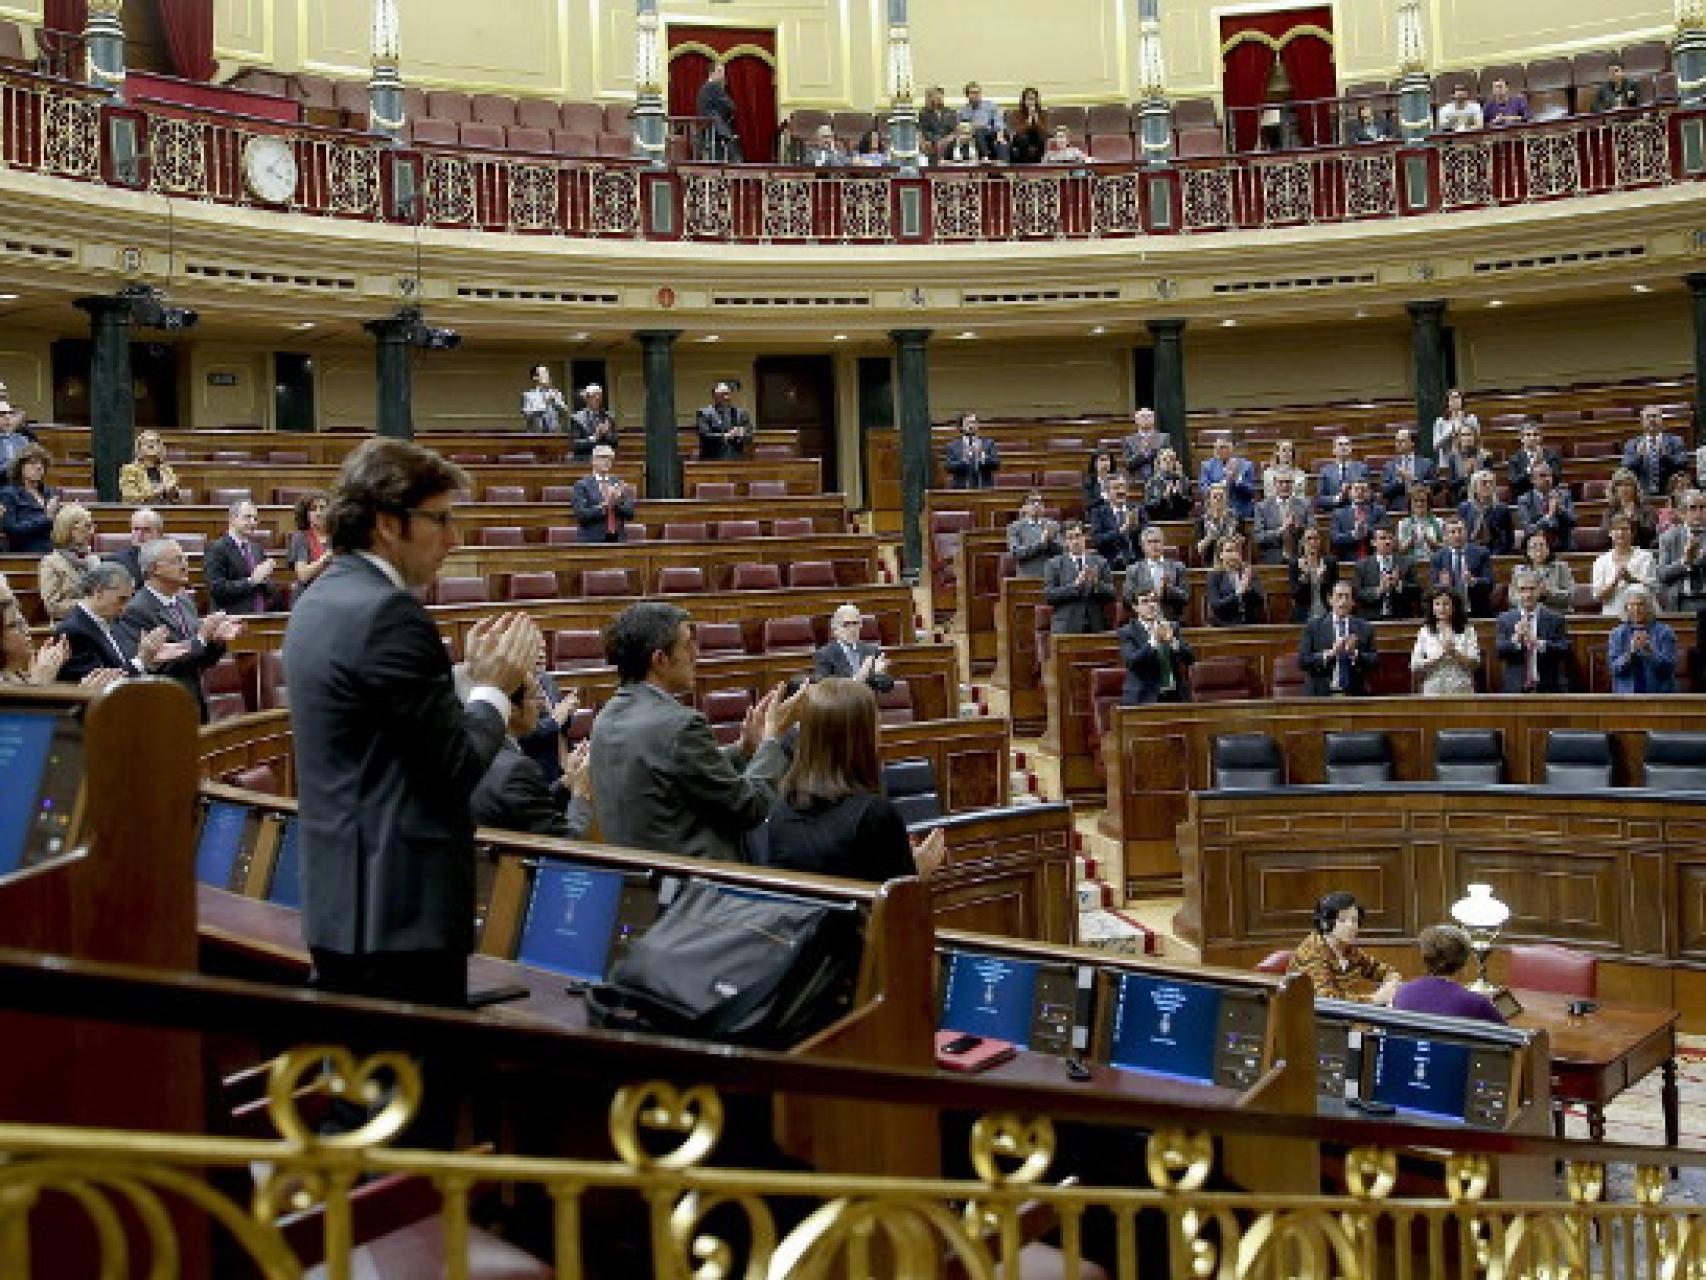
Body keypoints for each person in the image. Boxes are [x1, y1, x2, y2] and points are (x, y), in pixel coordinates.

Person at [285, 437, 541, 1012]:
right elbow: (452, 769)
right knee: (410, 1074)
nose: (454, 539)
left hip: (346, 908)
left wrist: (477, 692)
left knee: (362, 1071)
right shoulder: (390, 611)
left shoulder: (321, 597)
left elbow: (386, 725)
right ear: (387, 523)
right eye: (440, 520)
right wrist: (492, 693)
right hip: (400, 918)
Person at [589, 601, 795, 861]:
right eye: (687, 645)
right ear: (660, 659)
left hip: (637, 878)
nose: (696, 654)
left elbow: (671, 767)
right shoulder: (680, 724)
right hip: (693, 881)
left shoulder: (605, 718)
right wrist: (771, 741)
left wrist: (742, 750)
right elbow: (751, 806)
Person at [756, 678, 945, 883]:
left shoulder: (781, 810)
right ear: (862, 739)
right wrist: (919, 871)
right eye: (876, 725)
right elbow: (896, 899)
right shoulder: (873, 815)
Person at [119, 538, 242, 721]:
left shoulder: (184, 601)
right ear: (154, 569)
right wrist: (201, 638)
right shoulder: (136, 610)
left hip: (194, 701)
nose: (185, 565)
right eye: (178, 560)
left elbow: (199, 660)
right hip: (163, 707)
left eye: (185, 559)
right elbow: (156, 665)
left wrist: (215, 641)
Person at [469, 683, 594, 839]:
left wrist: (566, 782)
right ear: (513, 710)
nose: (540, 705)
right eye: (534, 697)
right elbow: (568, 842)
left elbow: (527, 806)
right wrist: (581, 793)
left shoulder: (484, 750)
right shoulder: (517, 768)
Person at [53, 562, 174, 683]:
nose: (125, 607)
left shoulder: (114, 621)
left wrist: (150, 658)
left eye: (128, 600)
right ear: (98, 592)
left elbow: (126, 663)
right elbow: (100, 683)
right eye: (122, 599)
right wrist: (142, 659)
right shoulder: (73, 630)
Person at [1288, 891, 1400, 1005]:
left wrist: (1392, 981)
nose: (1351, 926)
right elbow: (1327, 1000)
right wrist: (1374, 999)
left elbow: (1380, 970)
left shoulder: (1347, 948)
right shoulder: (1311, 953)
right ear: (1325, 923)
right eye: (1342, 920)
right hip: (1311, 1014)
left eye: (1354, 920)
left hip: (1343, 1013)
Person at [1392, 925, 1504, 1024]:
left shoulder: (1402, 993)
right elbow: (1507, 1036)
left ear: (1425, 959)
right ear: (1464, 963)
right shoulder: (1476, 1003)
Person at [1495, 569, 1570, 693]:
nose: (1528, 595)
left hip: (1548, 687)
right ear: (1516, 592)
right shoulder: (1505, 619)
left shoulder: (1555, 618)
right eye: (1523, 589)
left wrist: (1539, 643)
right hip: (1515, 688)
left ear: (1540, 589)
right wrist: (1516, 640)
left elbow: (1565, 650)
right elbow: (1499, 652)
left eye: (1532, 589)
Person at [205, 499, 284, 615]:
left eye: (255, 519)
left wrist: (267, 581)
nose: (253, 522)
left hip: (261, 616)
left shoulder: (257, 548)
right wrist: (251, 581)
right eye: (247, 517)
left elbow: (266, 585)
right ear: (232, 519)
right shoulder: (216, 548)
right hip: (232, 618)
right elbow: (217, 589)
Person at [1300, 580, 1378, 696]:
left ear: (1353, 602)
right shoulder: (1314, 626)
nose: (1343, 601)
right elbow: (1303, 661)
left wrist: (1354, 653)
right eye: (1339, 596)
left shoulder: (1364, 628)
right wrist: (1330, 653)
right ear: (1330, 600)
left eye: (1347, 597)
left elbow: (1374, 661)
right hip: (1320, 694)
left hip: (1354, 694)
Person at [1118, 588, 1194, 706]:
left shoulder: (1171, 627)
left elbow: (1190, 658)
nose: (1151, 605)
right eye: (1145, 601)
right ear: (1135, 607)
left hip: (1175, 696)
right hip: (1143, 697)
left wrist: (1173, 642)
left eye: (1154, 601)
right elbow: (1132, 662)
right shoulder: (1128, 632)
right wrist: (1153, 641)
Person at [1043, 522, 1115, 634]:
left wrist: (1097, 584)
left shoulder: (1100, 562)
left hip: (1095, 624)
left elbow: (1111, 594)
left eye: (1078, 536)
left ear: (1084, 537)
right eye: (1070, 538)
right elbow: (1049, 596)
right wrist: (1075, 585)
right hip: (1066, 626)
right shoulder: (1053, 564)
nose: (1075, 541)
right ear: (1065, 541)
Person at [1410, 586, 1480, 696]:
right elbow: (1415, 665)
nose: (1441, 608)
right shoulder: (1425, 631)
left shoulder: (1468, 630)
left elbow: (1475, 663)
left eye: (1446, 604)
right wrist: (1439, 656)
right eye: (1437, 604)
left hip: (1461, 689)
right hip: (1433, 689)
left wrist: (1454, 653)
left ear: (1454, 606)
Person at [1608, 585, 1677, 694]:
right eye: (1631, 605)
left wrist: (1649, 652)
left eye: (1640, 604)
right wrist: (1630, 654)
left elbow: (1668, 669)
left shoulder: (1665, 632)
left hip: (1658, 696)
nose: (1636, 609)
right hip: (1626, 697)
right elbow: (1614, 669)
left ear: (1649, 607)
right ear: (1625, 608)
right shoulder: (1617, 634)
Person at [37, 502, 99, 621]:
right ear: (70, 529)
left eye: (92, 526)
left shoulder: (93, 559)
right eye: (87, 526)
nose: (92, 532)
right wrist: (89, 605)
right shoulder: (51, 563)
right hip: (67, 624)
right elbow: (52, 606)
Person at [812, 603, 893, 691]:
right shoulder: (824, 654)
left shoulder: (872, 651)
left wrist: (878, 675)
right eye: (846, 624)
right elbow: (825, 690)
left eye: (855, 623)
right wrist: (858, 678)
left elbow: (887, 687)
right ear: (835, 629)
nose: (852, 629)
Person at [1592, 514, 1658, 621]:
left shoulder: (1645, 557)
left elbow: (1652, 588)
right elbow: (1598, 596)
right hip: (1612, 615)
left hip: (1642, 617)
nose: (1620, 533)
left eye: (1625, 529)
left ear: (1632, 533)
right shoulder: (1601, 561)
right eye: (1616, 529)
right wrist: (1615, 581)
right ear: (1610, 533)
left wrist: (1631, 579)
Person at [1, 444, 59, 554]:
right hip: (26, 553)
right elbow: (12, 530)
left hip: (54, 549)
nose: (39, 467)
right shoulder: (9, 494)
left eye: (42, 464)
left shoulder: (49, 493)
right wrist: (46, 518)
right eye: (33, 463)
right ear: (20, 467)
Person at [1431, 516, 1495, 617]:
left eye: (1460, 531)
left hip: (1477, 609)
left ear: (1466, 532)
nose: (1457, 535)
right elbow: (1433, 587)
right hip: (1449, 612)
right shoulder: (1438, 557)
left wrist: (1473, 581)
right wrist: (1442, 585)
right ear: (1445, 536)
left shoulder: (1481, 553)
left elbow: (1490, 583)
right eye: (1452, 532)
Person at [571, 445, 634, 543]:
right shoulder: (581, 485)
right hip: (592, 540)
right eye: (603, 458)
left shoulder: (618, 483)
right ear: (593, 461)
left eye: (610, 459)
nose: (607, 461)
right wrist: (605, 505)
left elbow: (630, 514)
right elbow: (581, 515)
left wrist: (618, 501)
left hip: (618, 539)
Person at [1124, 526, 1189, 621]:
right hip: (1144, 621)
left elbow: (1186, 597)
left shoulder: (1178, 567)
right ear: (1143, 546)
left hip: (1171, 620)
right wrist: (1146, 598)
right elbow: (1127, 599)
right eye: (1150, 542)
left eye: (1157, 541)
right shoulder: (1133, 570)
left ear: (1163, 544)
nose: (1154, 545)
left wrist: (1168, 589)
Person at [1353, 526, 1419, 620]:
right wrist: (1378, 590)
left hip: (1401, 617)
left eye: (1390, 538)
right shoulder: (1362, 565)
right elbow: (1357, 594)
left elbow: (1416, 591)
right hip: (1371, 618)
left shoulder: (1407, 563)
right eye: (1383, 538)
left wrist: (1399, 585)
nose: (1388, 542)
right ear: (1373, 542)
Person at [1657, 488, 1706, 613]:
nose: (1699, 512)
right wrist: (1685, 561)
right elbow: (1663, 574)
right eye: (1693, 508)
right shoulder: (1668, 537)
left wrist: (1701, 558)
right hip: (1680, 601)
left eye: (1702, 507)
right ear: (1682, 513)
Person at [1623, 405, 1686, 498]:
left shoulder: (1676, 441)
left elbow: (1682, 465)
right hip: (1642, 496)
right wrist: (1638, 457)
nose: (1652, 420)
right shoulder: (1631, 444)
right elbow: (1626, 470)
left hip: (1671, 495)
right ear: (1642, 421)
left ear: (1661, 420)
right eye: (1648, 417)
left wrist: (1665, 456)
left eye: (1655, 416)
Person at [1253, 470, 1312, 565]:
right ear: (1274, 484)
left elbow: (1312, 531)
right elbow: (1258, 537)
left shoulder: (1305, 505)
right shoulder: (1262, 507)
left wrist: (1299, 527)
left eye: (1288, 482)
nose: (1285, 486)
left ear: (1293, 484)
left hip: (1299, 556)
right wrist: (1280, 531)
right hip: (1272, 556)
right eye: (1281, 482)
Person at [1206, 535, 1266, 627]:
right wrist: (1238, 594)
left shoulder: (1248, 572)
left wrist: (1249, 590)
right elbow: (1216, 605)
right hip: (1224, 627)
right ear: (1220, 555)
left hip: (1250, 625)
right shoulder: (1214, 575)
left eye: (1237, 551)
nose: (1233, 555)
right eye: (1229, 551)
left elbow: (1260, 602)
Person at [1515, 462, 1576, 552]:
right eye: (1542, 476)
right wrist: (1549, 516)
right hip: (1537, 548)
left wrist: (1560, 510)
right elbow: (1529, 529)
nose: (1547, 479)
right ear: (1532, 480)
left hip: (1563, 546)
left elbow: (1573, 521)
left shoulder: (1564, 495)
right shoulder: (1524, 500)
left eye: (1549, 475)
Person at [1089, 476, 1145, 570]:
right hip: (1110, 563)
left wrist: (1136, 528)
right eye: (1116, 488)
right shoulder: (1098, 512)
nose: (1121, 491)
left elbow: (1147, 535)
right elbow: (1097, 540)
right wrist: (1121, 530)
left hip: (1136, 562)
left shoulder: (1137, 510)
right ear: (1107, 492)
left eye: (1123, 487)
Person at [1287, 524, 1338, 622]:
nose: (1313, 542)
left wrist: (1323, 578)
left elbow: (1334, 592)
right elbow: (1296, 596)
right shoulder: (1295, 563)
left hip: (1326, 612)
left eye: (1316, 538)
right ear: (1302, 542)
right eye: (1309, 539)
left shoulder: (1330, 562)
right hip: (1304, 613)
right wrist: (1305, 578)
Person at [1458, 469, 1515, 556]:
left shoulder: (1502, 509)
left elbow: (1508, 540)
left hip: (1494, 554)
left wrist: (1494, 556)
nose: (1488, 486)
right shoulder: (1464, 508)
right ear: (1475, 487)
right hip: (1469, 553)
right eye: (1484, 483)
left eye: (1491, 483)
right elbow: (1460, 536)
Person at [1518, 530, 1575, 614]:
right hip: (1528, 614)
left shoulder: (1561, 568)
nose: (1538, 549)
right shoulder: (1519, 570)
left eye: (1541, 545)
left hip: (1556, 613)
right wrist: (1530, 595)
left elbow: (1571, 596)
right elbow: (1512, 598)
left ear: (1548, 549)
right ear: (1527, 551)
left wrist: (1547, 593)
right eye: (1534, 546)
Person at [1007, 491, 1061, 580]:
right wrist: (1041, 543)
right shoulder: (1015, 527)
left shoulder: (1053, 525)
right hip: (1028, 577)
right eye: (1032, 502)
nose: (1036, 505)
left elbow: (1063, 551)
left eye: (1039, 502)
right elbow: (1016, 553)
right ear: (1024, 507)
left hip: (1052, 576)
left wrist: (1050, 542)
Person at [1198, 436, 1257, 518]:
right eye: (1216, 447)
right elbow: (1203, 489)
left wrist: (1236, 479)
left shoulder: (1246, 465)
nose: (1218, 450)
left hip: (1239, 509)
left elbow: (1250, 492)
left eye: (1223, 447)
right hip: (1215, 510)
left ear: (1232, 448)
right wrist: (1221, 485)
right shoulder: (1207, 466)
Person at [118, 429, 181, 504]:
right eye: (146, 442)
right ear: (139, 448)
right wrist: (157, 492)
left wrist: (173, 492)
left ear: (160, 448)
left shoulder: (167, 470)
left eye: (154, 442)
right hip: (140, 509)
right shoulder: (129, 470)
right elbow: (129, 497)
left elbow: (176, 497)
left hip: (164, 508)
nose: (151, 445)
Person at [1601, 467, 1658, 549]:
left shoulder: (1647, 510)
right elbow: (1604, 536)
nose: (1624, 488)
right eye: (1620, 485)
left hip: (1641, 550)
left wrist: (1634, 520)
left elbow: (1651, 534)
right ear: (1614, 489)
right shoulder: (1609, 512)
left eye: (1628, 484)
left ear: (1635, 488)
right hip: (1616, 551)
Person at [1506, 419, 1564, 500]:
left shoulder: (1552, 455)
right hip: (1524, 499)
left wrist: (1543, 464)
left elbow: (1557, 478)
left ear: (1541, 437)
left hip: (1548, 497)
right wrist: (1531, 468)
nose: (1532, 438)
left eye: (1535, 434)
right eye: (1528, 435)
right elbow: (1514, 483)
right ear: (1522, 438)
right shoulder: (1514, 459)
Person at [287, 491, 334, 590]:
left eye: (322, 508)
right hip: (309, 592)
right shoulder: (300, 537)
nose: (318, 513)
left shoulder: (336, 535)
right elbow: (303, 575)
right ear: (306, 514)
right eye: (313, 509)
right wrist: (325, 558)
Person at [696, 62, 742, 162]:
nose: (723, 75)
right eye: (720, 71)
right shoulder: (713, 86)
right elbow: (730, 106)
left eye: (723, 72)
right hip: (716, 129)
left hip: (709, 129)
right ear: (711, 73)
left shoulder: (704, 87)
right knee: (729, 157)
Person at [1329, 480, 1385, 562]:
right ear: (1349, 493)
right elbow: (1334, 539)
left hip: (1373, 559)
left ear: (1369, 493)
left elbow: (1385, 534)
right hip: (1347, 559)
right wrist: (1354, 534)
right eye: (1356, 489)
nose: (1359, 492)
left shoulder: (1378, 511)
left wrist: (1366, 530)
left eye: (1363, 490)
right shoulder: (1338, 513)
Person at [696, 382, 753, 460]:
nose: (726, 397)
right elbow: (704, 435)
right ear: (714, 396)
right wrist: (726, 436)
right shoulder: (704, 413)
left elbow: (749, 435)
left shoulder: (741, 413)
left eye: (728, 394)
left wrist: (742, 433)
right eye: (722, 395)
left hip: (736, 458)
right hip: (713, 459)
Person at [1380, 428, 1437, 506]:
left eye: (1402, 441)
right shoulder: (1390, 466)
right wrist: (1399, 482)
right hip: (1398, 507)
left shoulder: (1426, 463)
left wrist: (1414, 479)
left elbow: (1435, 486)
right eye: (1397, 441)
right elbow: (1384, 491)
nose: (1398, 444)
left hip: (1421, 506)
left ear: (1412, 443)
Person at [108, 507, 163, 587]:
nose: (140, 534)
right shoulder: (118, 560)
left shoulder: (169, 559)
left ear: (159, 533)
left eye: (146, 530)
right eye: (136, 529)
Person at [1313, 436, 1369, 512]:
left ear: (1351, 449)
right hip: (1333, 512)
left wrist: (1354, 495)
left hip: (1356, 512)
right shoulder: (1325, 471)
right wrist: (1338, 498)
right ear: (1334, 450)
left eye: (1346, 444)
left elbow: (1368, 494)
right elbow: (1320, 499)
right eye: (1340, 444)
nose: (1343, 447)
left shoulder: (1361, 468)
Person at [944, 413, 1000, 489]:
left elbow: (996, 464)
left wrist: (983, 458)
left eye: (973, 422)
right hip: (961, 488)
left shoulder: (988, 443)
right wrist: (964, 460)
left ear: (978, 425)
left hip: (984, 487)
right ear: (961, 426)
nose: (970, 426)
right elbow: (949, 467)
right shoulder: (953, 445)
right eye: (967, 423)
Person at [1440, 423, 1491, 506]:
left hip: (1481, 496)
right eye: (1464, 435)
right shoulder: (1453, 457)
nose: (1467, 438)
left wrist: (1476, 473)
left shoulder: (1485, 456)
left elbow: (1489, 482)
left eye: (1469, 435)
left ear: (1475, 437)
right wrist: (1466, 475)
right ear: (1459, 438)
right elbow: (1451, 484)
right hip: (1460, 497)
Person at [957, 81, 1008, 160]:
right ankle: (985, 158)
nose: (976, 95)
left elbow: (998, 120)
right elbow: (962, 127)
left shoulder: (989, 105)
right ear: (967, 95)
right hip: (973, 135)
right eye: (973, 93)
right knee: (978, 132)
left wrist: (999, 132)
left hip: (990, 132)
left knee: (1001, 143)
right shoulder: (964, 111)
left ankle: (996, 162)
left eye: (978, 93)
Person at [1395, 486, 1444, 562]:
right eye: (1415, 501)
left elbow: (1447, 549)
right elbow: (1398, 551)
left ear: (1428, 503)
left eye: (1422, 501)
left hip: (1434, 563)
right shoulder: (1403, 523)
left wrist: (1433, 544)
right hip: (1411, 564)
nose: (1419, 504)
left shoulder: (1439, 522)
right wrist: (1411, 541)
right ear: (1410, 504)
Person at [568, 383, 617, 459]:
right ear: (587, 398)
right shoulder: (577, 418)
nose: (598, 398)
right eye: (594, 395)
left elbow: (615, 443)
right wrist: (595, 437)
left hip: (605, 458)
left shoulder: (609, 417)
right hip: (585, 458)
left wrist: (607, 434)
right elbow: (575, 444)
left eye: (600, 395)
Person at [1143, 447, 1192, 521]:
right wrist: (1163, 497)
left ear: (1175, 463)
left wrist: (1177, 496)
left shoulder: (1183, 480)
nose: (1168, 461)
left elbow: (1188, 507)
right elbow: (1149, 508)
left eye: (1171, 459)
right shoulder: (1151, 482)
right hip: (1157, 521)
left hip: (1180, 521)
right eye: (1165, 459)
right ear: (1159, 463)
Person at [519, 363, 569, 434]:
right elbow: (527, 415)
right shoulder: (527, 395)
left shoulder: (556, 393)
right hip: (536, 435)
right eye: (543, 373)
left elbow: (565, 412)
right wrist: (544, 404)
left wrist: (555, 401)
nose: (547, 376)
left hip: (555, 435)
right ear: (535, 377)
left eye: (547, 373)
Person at [1121, 407, 1166, 483]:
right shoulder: (1128, 440)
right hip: (1136, 480)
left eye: (1149, 416)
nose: (1146, 418)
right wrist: (1142, 453)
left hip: (1159, 479)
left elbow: (1166, 461)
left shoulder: (1163, 438)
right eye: (1143, 416)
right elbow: (1128, 464)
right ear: (1136, 420)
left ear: (1154, 420)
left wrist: (1150, 453)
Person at [1431, 388, 1480, 453]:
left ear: (1462, 400)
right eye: (1452, 398)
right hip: (1447, 457)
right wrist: (1449, 434)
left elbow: (1477, 440)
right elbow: (1435, 446)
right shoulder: (1440, 421)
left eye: (1457, 397)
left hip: (1466, 456)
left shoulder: (1471, 419)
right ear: (1448, 402)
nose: (1455, 401)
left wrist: (1462, 422)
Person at [1008, 87, 1047, 164]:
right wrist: (1029, 120)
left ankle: (1038, 164)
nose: (1031, 102)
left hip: (1036, 138)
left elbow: (1045, 131)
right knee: (1023, 139)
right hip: (1021, 139)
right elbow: (1017, 132)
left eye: (1033, 99)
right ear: (1024, 101)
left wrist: (1036, 120)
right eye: (1029, 99)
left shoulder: (1042, 113)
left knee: (1041, 138)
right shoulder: (1017, 113)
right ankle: (1025, 165)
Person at [919, 85, 955, 157]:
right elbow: (924, 131)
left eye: (941, 96)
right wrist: (938, 140)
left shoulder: (950, 112)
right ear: (931, 98)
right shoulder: (924, 113)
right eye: (936, 96)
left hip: (948, 142)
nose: (939, 98)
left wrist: (947, 139)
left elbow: (954, 129)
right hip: (933, 142)